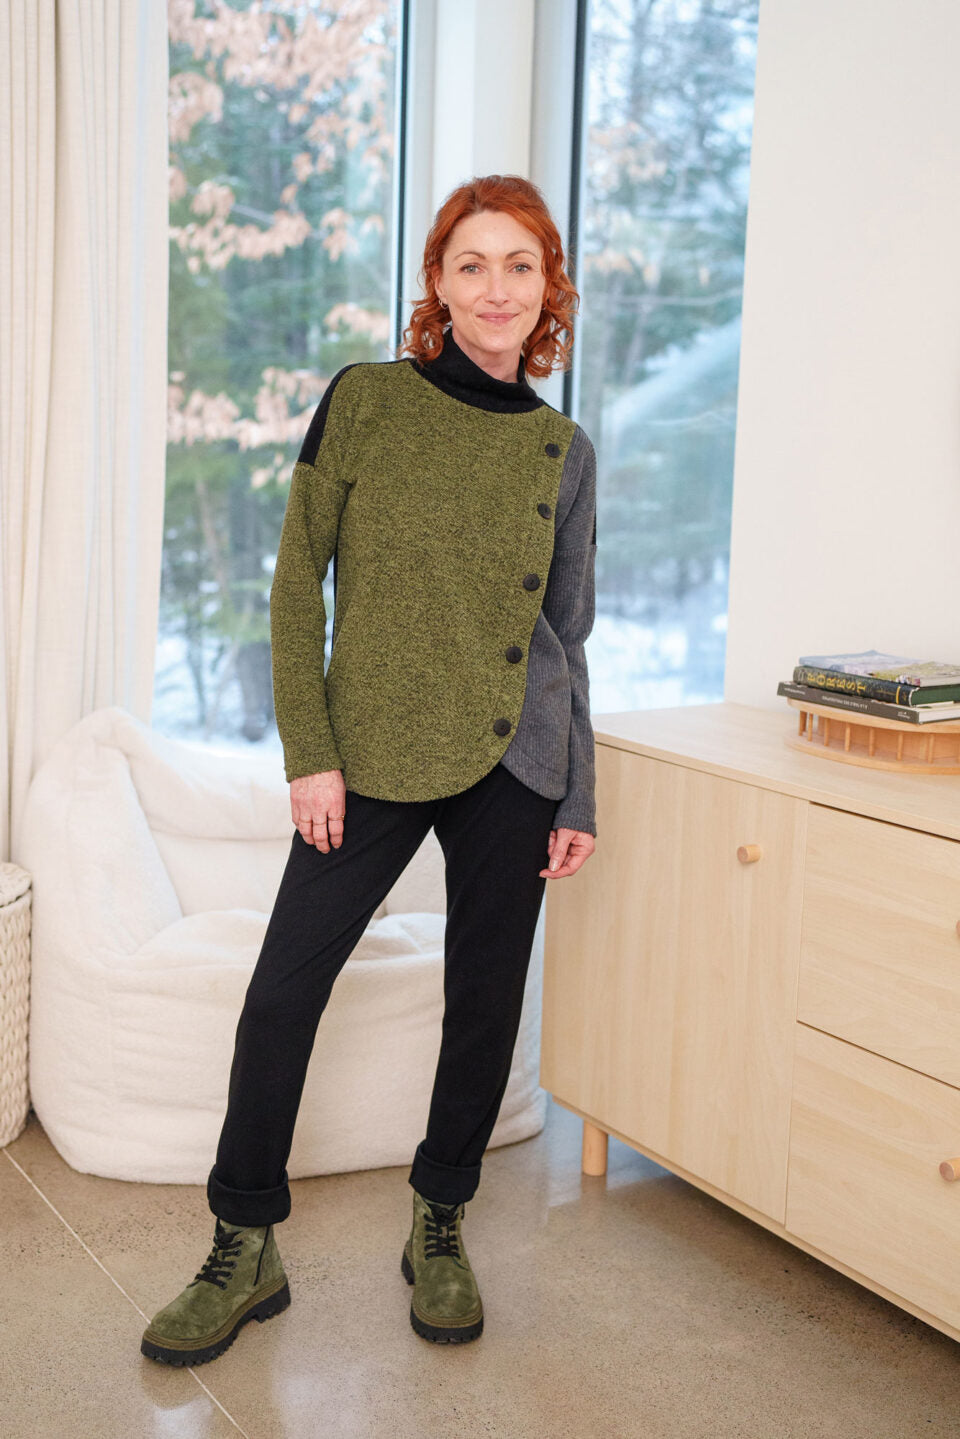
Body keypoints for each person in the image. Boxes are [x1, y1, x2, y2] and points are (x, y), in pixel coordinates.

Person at [140, 173, 598, 1365]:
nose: (495, 288)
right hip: (373, 751)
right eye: (470, 263)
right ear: (436, 284)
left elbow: (569, 635)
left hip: (517, 754)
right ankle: (245, 1240)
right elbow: (299, 587)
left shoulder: (565, 449)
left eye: (520, 265)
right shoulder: (368, 400)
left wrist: (577, 789)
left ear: (548, 288)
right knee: (284, 988)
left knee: (486, 997)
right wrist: (313, 755)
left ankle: (439, 1217)